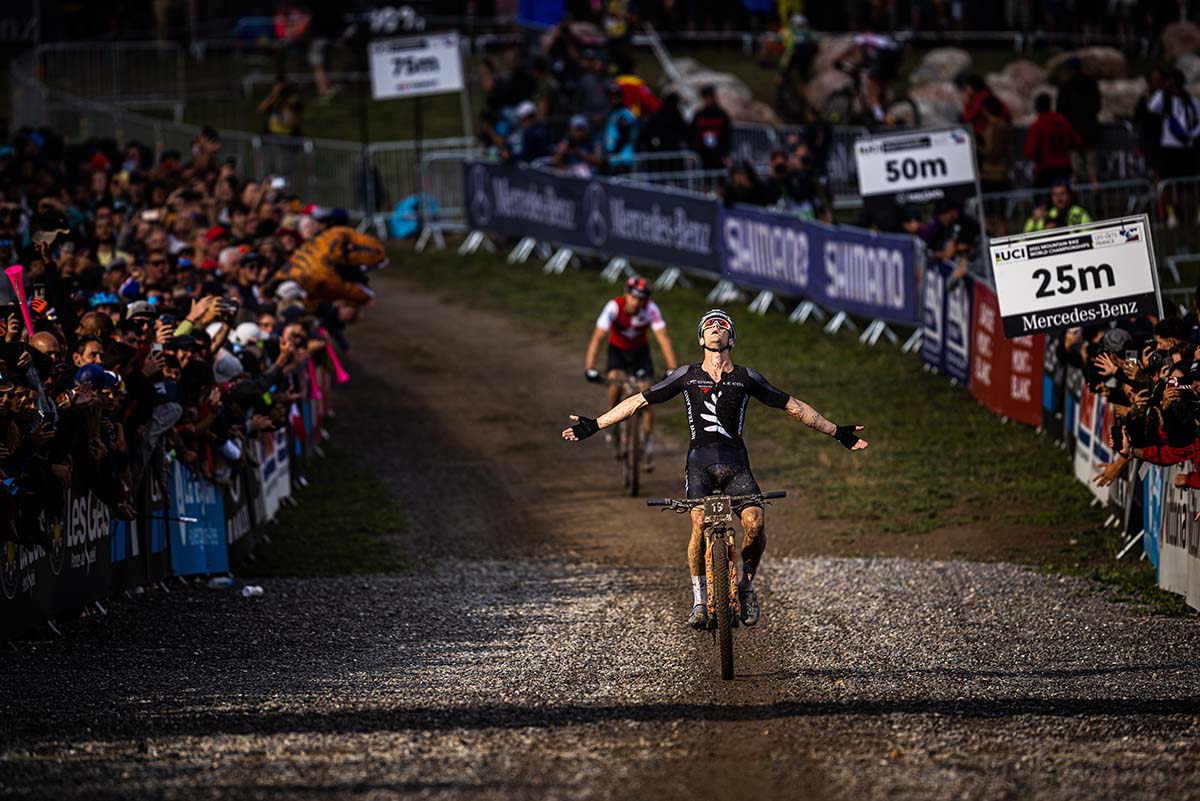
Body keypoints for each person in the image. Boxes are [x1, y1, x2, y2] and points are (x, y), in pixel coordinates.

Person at [563, 309, 868, 629]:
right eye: (708, 324)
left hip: (737, 465)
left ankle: (746, 586)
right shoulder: (686, 375)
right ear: (700, 339)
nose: (715, 327)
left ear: (731, 339)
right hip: (700, 465)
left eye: (722, 325)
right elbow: (638, 401)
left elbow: (795, 407)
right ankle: (699, 599)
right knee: (699, 523)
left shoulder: (747, 378)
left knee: (755, 522)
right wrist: (594, 425)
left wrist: (838, 433)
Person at [582, 276, 678, 470]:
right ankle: (610, 421)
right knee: (614, 382)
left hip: (640, 354)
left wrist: (672, 368)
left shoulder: (651, 309)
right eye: (633, 297)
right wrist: (589, 367)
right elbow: (598, 337)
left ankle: (648, 446)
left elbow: (663, 338)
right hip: (617, 352)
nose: (636, 302)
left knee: (648, 395)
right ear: (626, 294)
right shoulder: (613, 307)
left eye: (641, 299)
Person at [1024, 93, 1082, 191]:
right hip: (1064, 169)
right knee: (1065, 197)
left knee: (1041, 198)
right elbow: (1078, 142)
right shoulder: (1063, 121)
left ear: (1037, 107)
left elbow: (1029, 151)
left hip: (1045, 171)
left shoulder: (1038, 125)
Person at [689, 84, 732, 171]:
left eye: (709, 97)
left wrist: (726, 153)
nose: (707, 100)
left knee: (719, 174)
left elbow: (727, 134)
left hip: (718, 153)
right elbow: (692, 133)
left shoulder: (722, 114)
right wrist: (695, 149)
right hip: (702, 153)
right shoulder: (699, 115)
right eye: (705, 97)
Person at [1024, 180, 1093, 233]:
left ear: (1069, 196)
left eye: (1062, 194)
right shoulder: (1048, 215)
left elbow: (1089, 235)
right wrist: (1034, 220)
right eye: (1055, 195)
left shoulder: (1080, 214)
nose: (1059, 198)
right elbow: (1026, 238)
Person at [603, 83, 638, 174]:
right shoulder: (614, 113)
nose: (613, 99)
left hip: (622, 160)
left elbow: (625, 136)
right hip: (615, 159)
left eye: (616, 96)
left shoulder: (624, 114)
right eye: (611, 96)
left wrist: (613, 153)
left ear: (621, 97)